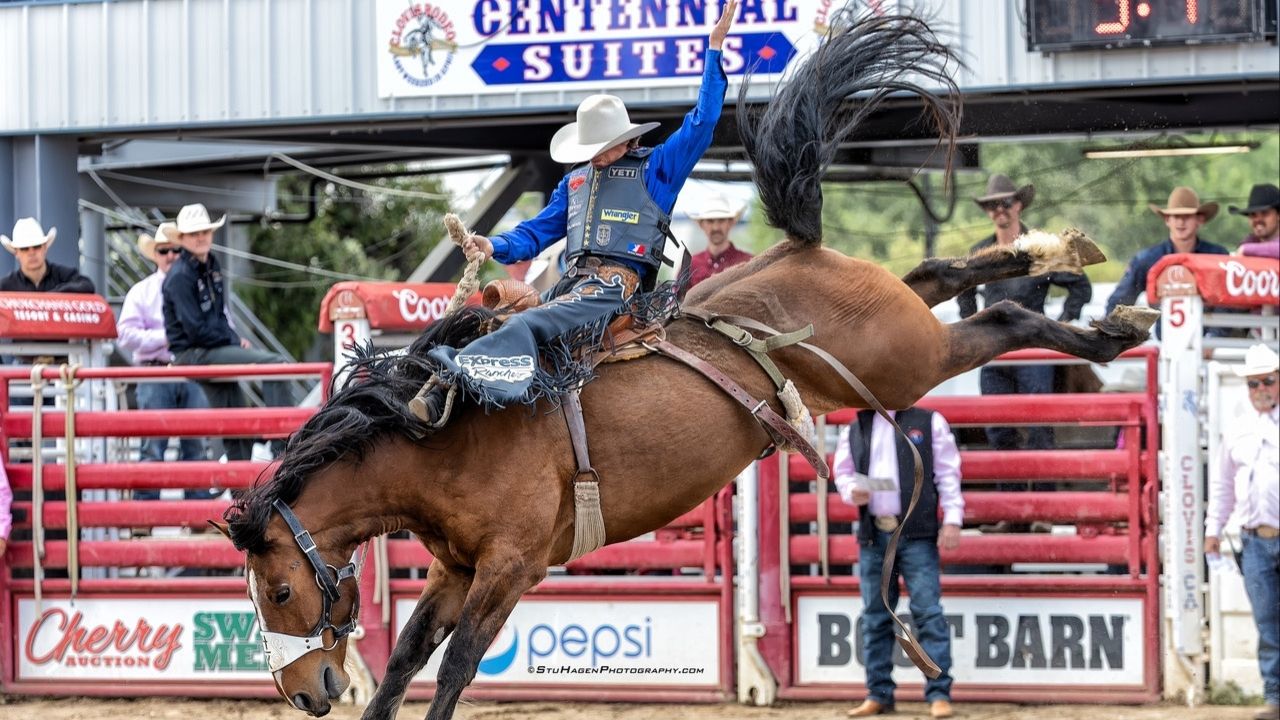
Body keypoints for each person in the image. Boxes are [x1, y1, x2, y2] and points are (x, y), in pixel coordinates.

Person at [418, 2, 736, 423]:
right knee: (493, 323)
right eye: (591, 149)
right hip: (572, 286)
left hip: (614, 290)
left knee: (525, 327)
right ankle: (447, 388)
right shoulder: (575, 182)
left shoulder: (658, 168)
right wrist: (492, 243)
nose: (595, 157)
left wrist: (714, 51)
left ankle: (449, 386)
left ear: (625, 141)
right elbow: (537, 232)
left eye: (601, 147)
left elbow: (701, 122)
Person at [834, 406, 964, 719]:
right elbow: (842, 472)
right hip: (875, 531)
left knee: (927, 612)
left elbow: (947, 473)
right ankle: (879, 692)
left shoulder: (929, 421)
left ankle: (938, 692)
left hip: (915, 531)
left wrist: (953, 518)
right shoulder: (856, 426)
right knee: (876, 616)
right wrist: (851, 491)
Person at [958, 175, 1091, 454]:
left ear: (1018, 205)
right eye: (992, 206)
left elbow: (1080, 286)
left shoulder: (1039, 248)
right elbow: (964, 289)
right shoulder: (981, 251)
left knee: (1039, 424)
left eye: (1005, 203)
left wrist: (1061, 324)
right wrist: (971, 325)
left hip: (1033, 346)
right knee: (998, 426)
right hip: (993, 347)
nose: (999, 210)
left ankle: (1044, 494)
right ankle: (1010, 494)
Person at [162, 203, 289, 461]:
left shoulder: (210, 265)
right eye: (194, 233)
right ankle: (282, 447)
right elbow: (195, 330)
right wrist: (232, 339)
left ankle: (240, 492)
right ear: (183, 238)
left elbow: (218, 315)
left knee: (236, 417)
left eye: (205, 231)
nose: (201, 237)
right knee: (276, 364)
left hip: (207, 350)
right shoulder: (180, 276)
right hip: (193, 352)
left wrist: (231, 339)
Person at [1206, 343, 1279, 720]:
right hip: (1254, 539)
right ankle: (1276, 699)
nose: (1260, 389)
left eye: (1267, 381)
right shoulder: (1238, 430)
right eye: (1254, 383)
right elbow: (1221, 485)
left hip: (1262, 539)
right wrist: (1212, 530)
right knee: (1267, 623)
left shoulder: (1242, 429)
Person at [117, 223, 210, 471]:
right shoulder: (142, 291)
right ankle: (151, 507)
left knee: (196, 448)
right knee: (153, 448)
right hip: (157, 372)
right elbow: (124, 335)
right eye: (163, 251)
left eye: (175, 251)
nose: (170, 255)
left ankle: (196, 507)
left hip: (191, 371)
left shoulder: (201, 284)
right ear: (156, 255)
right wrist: (171, 336)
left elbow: (222, 321)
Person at [1105, 186, 1230, 314]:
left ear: (1200, 219)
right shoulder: (1147, 259)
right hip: (1164, 333)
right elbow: (1118, 302)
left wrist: (1214, 333)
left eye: (1187, 216)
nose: (1181, 222)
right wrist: (1112, 332)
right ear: (1167, 220)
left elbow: (1229, 301)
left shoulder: (1218, 257)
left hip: (1209, 331)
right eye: (1176, 216)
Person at [0, 217, 95, 293]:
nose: (31, 253)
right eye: (24, 249)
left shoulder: (63, 275)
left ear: (45, 248)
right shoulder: (6, 286)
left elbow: (87, 285)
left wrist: (53, 295)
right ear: (16, 253)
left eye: (36, 246)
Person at [686, 193, 752, 289]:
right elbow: (676, 301)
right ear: (701, 225)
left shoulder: (747, 262)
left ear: (730, 223)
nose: (716, 227)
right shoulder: (690, 265)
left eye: (721, 220)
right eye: (710, 221)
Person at [1231, 183, 1280, 259]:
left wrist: (1247, 249)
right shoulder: (1249, 241)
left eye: (1265, 213)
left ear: (1278, 215)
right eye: (1253, 215)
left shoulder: (1246, 248)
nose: (1258, 220)